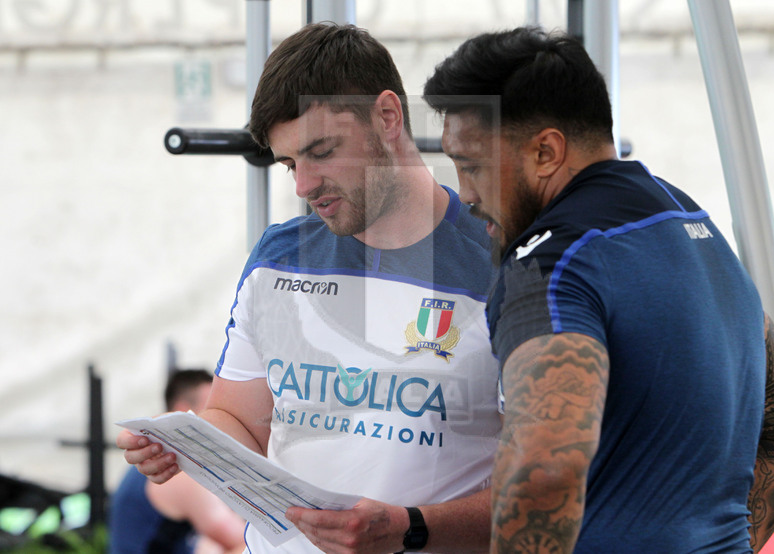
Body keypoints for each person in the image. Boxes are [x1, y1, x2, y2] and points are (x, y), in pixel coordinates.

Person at [118, 23, 502, 554]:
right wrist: (187, 448)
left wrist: (409, 527)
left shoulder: (504, 264)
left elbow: (553, 491)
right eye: (290, 163)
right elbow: (239, 418)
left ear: (387, 118)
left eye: (321, 151)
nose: (303, 185)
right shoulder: (277, 258)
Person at [422, 26, 774, 554]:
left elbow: (545, 468)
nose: (465, 194)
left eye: (473, 166)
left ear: (546, 151)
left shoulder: (546, 264)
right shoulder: (688, 220)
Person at [109, 369, 246, 554]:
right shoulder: (177, 467)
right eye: (211, 411)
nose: (222, 419)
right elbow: (245, 542)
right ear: (183, 412)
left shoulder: (154, 460)